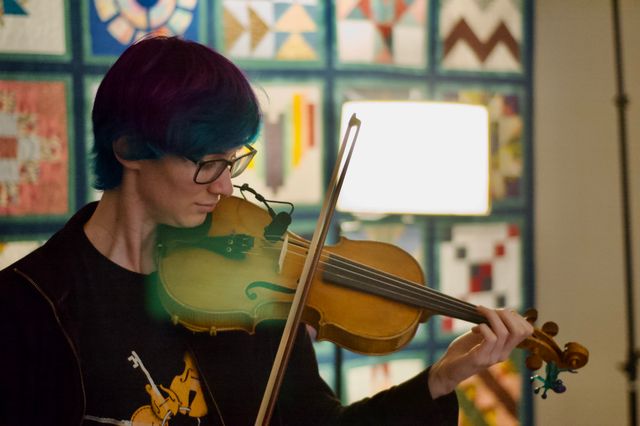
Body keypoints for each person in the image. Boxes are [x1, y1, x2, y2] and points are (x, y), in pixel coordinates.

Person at [0, 36, 533, 425]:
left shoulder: (249, 279)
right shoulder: (31, 306)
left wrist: (439, 380)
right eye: (208, 162)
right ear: (129, 151)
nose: (227, 188)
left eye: (234, 162)